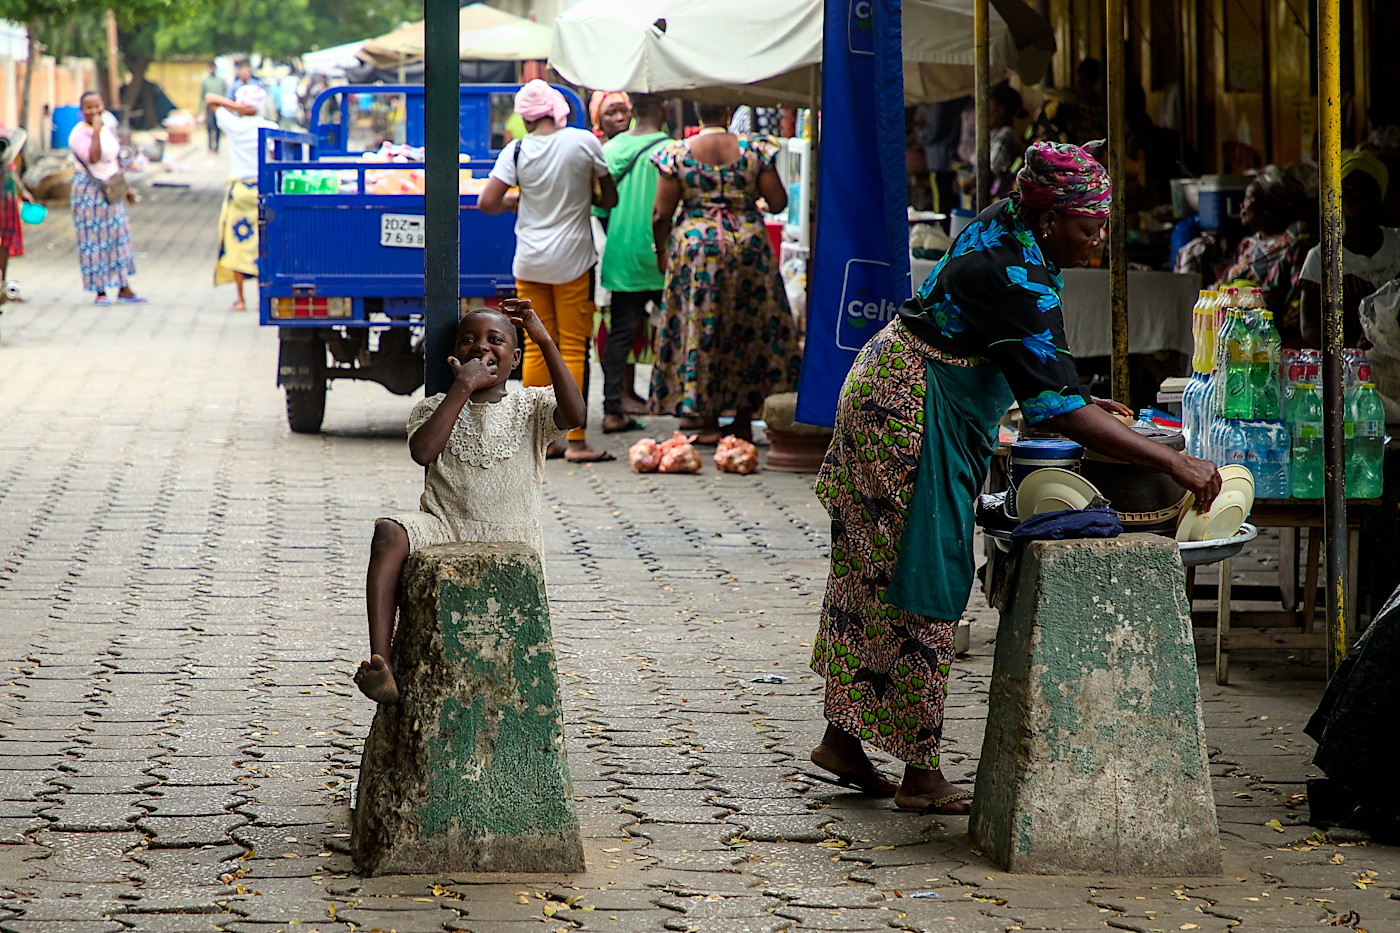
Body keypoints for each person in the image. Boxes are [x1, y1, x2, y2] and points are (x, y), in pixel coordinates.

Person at [807, 140, 1221, 814]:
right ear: (1051, 219)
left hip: (900, 386)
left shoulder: (1014, 220)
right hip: (909, 408)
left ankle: (841, 740)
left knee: (875, 570)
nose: (1100, 240)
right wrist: (1173, 460)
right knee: (924, 575)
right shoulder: (1015, 270)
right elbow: (1058, 411)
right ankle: (920, 772)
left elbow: (1037, 370)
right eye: (1090, 228)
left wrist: (1074, 393)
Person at [354, 300, 586, 704]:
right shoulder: (432, 407)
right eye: (469, 340)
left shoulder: (530, 407)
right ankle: (381, 663)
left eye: (495, 340)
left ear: (514, 359)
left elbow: (576, 413)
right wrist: (462, 388)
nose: (481, 347)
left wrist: (542, 335)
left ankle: (384, 664)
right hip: (445, 526)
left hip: (512, 533)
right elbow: (423, 452)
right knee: (388, 532)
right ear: (453, 356)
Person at [479, 80, 618, 463]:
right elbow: (610, 198)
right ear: (558, 110)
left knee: (537, 344)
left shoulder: (517, 150)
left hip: (530, 262)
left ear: (524, 118)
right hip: (573, 260)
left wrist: (517, 202)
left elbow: (487, 202)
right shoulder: (583, 142)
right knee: (573, 345)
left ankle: (541, 440)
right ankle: (576, 441)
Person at [649, 101, 803, 445]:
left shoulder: (676, 154)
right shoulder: (753, 151)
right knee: (748, 328)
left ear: (697, 114)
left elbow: (661, 214)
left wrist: (661, 250)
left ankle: (707, 422)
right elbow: (777, 202)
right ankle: (744, 421)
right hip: (748, 248)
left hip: (697, 252)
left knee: (702, 327)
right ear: (728, 109)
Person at [595, 94, 671, 434]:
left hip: (622, 256)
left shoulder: (608, 152)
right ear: (664, 110)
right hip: (665, 255)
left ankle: (613, 409)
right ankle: (682, 405)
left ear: (634, 113)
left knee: (621, 334)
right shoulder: (673, 151)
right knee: (675, 331)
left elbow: (598, 210)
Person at [1300, 151, 1400, 349]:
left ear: (1379, 194)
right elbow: (1310, 327)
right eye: (1348, 187)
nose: (1357, 194)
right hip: (1350, 365)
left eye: (1367, 188)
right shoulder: (1322, 257)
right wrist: (1351, 351)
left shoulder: (1397, 243)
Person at [1215, 166, 1310, 346]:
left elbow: (1296, 307)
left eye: (1249, 199)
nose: (1241, 205)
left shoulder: (1295, 245)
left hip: (1267, 339)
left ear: (1269, 206)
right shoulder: (1247, 244)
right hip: (1231, 331)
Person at [68, 90, 145, 306]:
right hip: (89, 192)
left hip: (111, 190)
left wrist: (125, 188)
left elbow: (114, 160)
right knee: (93, 241)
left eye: (97, 106)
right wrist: (95, 132)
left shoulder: (108, 129)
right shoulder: (78, 134)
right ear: (82, 111)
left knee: (120, 237)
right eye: (89, 108)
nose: (94, 111)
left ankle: (124, 288)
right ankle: (100, 291)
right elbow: (93, 158)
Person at [206, 85, 278, 311]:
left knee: (238, 243)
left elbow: (211, 98)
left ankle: (240, 299)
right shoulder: (270, 127)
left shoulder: (233, 125)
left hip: (239, 190)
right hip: (263, 189)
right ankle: (261, 297)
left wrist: (234, 107)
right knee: (263, 244)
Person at [0, 131, 35, 300]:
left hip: (5, 196)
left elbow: (10, 167)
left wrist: (22, 190)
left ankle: (2, 285)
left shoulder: (4, 140)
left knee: (4, 241)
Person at [198, 62, 227, 152]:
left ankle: (216, 147)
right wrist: (199, 110)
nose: (212, 70)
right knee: (209, 127)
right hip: (209, 107)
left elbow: (225, 93)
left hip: (219, 107)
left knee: (218, 127)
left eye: (214, 68)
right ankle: (210, 147)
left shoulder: (221, 81)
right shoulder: (205, 81)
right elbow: (202, 96)